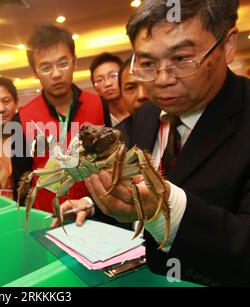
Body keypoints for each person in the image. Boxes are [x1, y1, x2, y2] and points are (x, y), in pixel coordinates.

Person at [63, 0, 249, 286]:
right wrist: (93, 205)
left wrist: (164, 210)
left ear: (227, 45)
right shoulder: (146, 115)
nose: (162, 80)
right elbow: (130, 189)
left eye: (182, 58)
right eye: (148, 64)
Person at [15, 24, 107, 214]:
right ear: (34, 71)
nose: (56, 74)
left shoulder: (99, 104)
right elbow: (21, 177)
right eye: (46, 67)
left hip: (93, 210)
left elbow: (110, 162)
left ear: (75, 62)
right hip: (45, 215)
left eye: (63, 63)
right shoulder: (22, 117)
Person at [115, 57, 152, 144]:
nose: (141, 95)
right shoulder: (116, 140)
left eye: (148, 84)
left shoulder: (173, 129)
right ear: (121, 95)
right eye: (130, 88)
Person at [90, 53, 129, 126]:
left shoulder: (141, 108)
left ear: (124, 76)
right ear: (95, 88)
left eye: (113, 75)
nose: (108, 84)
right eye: (100, 80)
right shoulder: (98, 122)